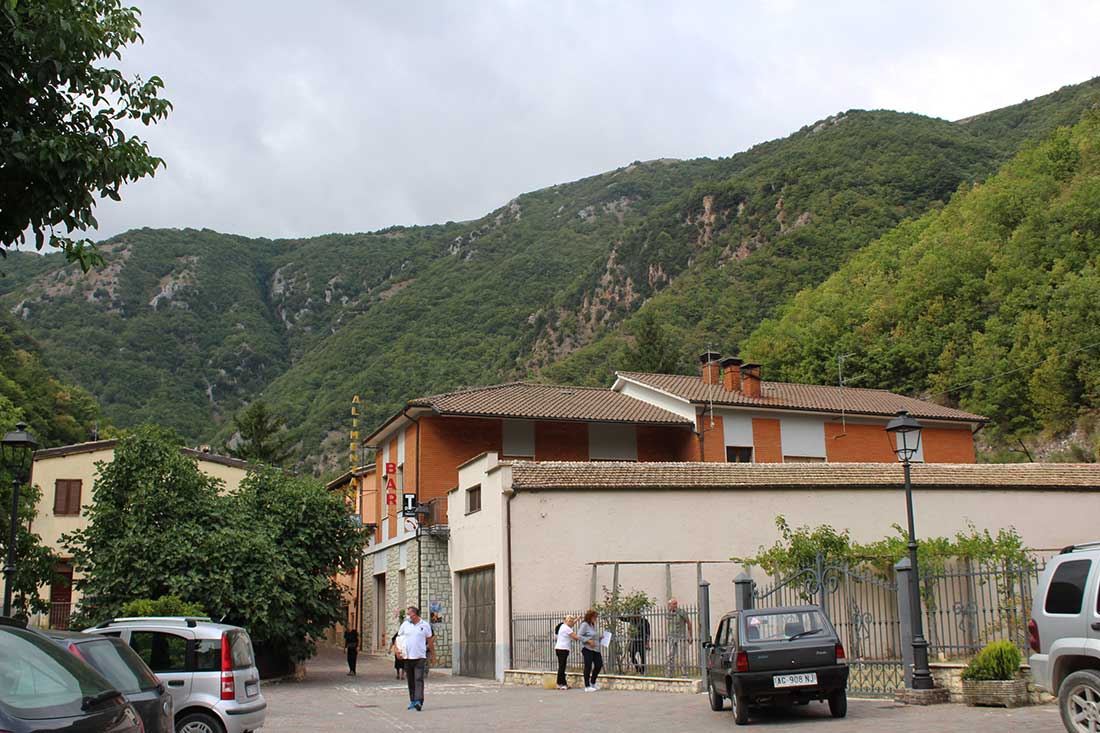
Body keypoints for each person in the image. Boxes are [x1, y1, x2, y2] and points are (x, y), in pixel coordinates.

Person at [398, 605, 434, 711]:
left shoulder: (425, 625)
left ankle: (419, 701)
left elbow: (430, 640)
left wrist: (432, 655)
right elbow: (399, 638)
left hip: (420, 657)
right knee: (411, 680)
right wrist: (397, 651)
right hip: (407, 657)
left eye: (409, 614)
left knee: (418, 678)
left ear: (415, 614)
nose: (408, 616)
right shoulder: (405, 625)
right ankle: (413, 700)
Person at [577, 609, 603, 692]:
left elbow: (592, 636)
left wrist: (599, 638)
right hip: (587, 649)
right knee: (588, 666)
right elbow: (579, 636)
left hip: (595, 649)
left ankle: (593, 682)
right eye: (595, 617)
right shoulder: (584, 625)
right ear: (590, 617)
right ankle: (587, 686)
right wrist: (588, 641)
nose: (596, 618)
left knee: (599, 664)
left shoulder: (592, 625)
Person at [667, 599, 693, 676]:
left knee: (682, 656)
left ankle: (684, 672)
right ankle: (670, 672)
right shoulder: (669, 613)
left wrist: (690, 635)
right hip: (671, 637)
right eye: (672, 604)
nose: (674, 605)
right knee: (669, 655)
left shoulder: (681, 612)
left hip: (681, 637)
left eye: (675, 604)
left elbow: (689, 623)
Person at [554, 614, 580, 690]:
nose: (573, 624)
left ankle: (561, 683)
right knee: (562, 667)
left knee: (561, 667)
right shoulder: (567, 629)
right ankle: (561, 684)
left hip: (559, 648)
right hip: (563, 649)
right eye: (572, 622)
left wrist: (577, 620)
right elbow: (575, 638)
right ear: (569, 622)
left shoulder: (563, 626)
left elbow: (571, 624)